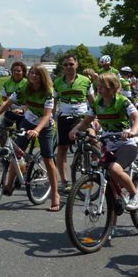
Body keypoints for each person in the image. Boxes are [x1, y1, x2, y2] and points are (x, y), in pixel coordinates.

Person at [0, 64, 62, 212]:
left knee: (48, 159)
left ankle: (55, 195)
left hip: (44, 125)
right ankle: (9, 184)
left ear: (43, 76)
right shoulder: (24, 88)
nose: (33, 76)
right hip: (28, 120)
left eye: (37, 74)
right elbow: (7, 103)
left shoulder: (48, 92)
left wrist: (37, 130)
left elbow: (48, 115)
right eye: (32, 73)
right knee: (15, 151)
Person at [70, 72, 138, 213]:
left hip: (126, 144)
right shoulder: (97, 103)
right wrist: (74, 130)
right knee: (110, 185)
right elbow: (86, 121)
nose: (99, 89)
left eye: (103, 86)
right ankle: (111, 227)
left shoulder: (122, 101)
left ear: (112, 88)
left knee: (114, 169)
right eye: (98, 86)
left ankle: (136, 194)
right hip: (108, 144)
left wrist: (133, 131)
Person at [53, 55, 94, 192]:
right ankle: (65, 182)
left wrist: (97, 117)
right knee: (62, 149)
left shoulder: (86, 81)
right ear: (62, 67)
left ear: (76, 65)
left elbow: (92, 101)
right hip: (64, 117)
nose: (68, 67)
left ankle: (93, 168)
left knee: (94, 141)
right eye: (65, 65)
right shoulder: (57, 82)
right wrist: (52, 118)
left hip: (82, 116)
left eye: (71, 64)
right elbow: (54, 103)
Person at [0, 61, 28, 127]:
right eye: (14, 70)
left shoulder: (27, 83)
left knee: (20, 133)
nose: (16, 72)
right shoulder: (7, 83)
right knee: (1, 128)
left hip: (23, 113)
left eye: (19, 71)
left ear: (23, 72)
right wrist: (6, 107)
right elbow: (4, 98)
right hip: (11, 110)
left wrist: (22, 110)